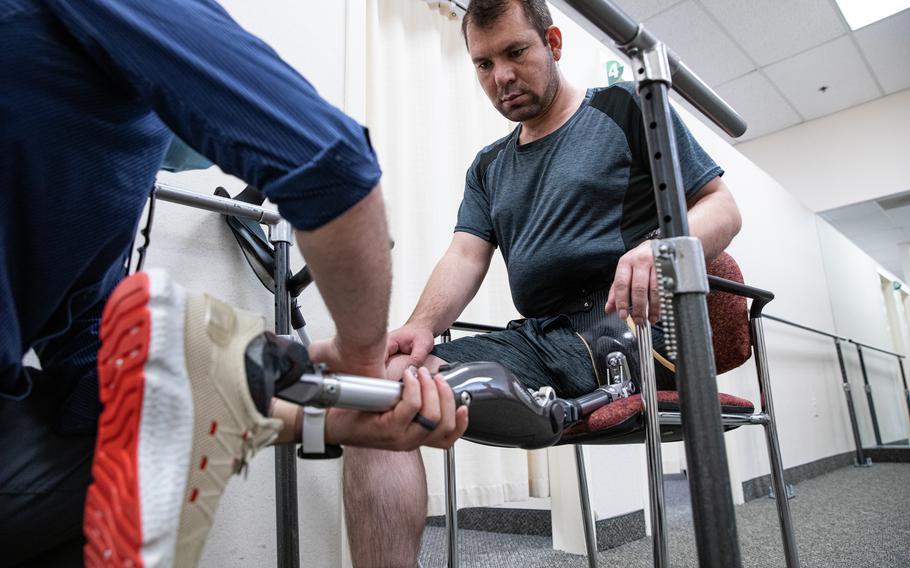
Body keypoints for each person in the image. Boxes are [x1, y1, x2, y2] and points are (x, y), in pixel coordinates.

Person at [0, 1, 466, 567]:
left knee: (146, 408)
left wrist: (331, 405)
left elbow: (92, 369)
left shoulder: (90, 146)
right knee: (144, 461)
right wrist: (362, 366)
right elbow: (334, 169)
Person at [342, 0, 743, 565]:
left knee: (428, 388)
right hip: (538, 338)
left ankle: (523, 399)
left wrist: (661, 250)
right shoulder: (488, 166)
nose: (501, 76)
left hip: (622, 329)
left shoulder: (626, 108)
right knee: (383, 392)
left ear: (553, 43)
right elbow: (464, 255)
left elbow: (721, 208)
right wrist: (419, 328)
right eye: (484, 64)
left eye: (515, 52)